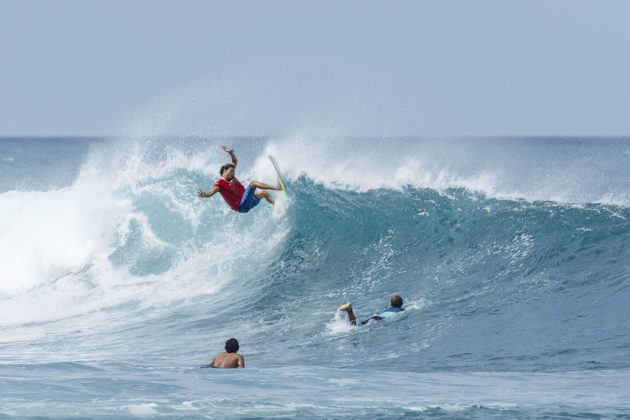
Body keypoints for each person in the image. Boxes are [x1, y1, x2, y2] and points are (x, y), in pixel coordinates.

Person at [197, 145, 281, 213]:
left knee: (263, 194)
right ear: (225, 170)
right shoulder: (219, 184)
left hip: (248, 202)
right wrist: (205, 195)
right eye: (231, 171)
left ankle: (279, 205)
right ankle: (277, 187)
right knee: (253, 183)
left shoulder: (231, 177)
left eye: (233, 171)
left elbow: (235, 162)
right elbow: (211, 192)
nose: (233, 173)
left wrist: (231, 153)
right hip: (241, 205)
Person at [337, 295, 404, 326]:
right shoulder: (401, 310)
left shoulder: (388, 309)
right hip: (380, 319)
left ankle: (349, 310)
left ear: (391, 304)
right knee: (356, 327)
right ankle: (349, 310)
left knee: (357, 325)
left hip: (377, 316)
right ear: (402, 303)